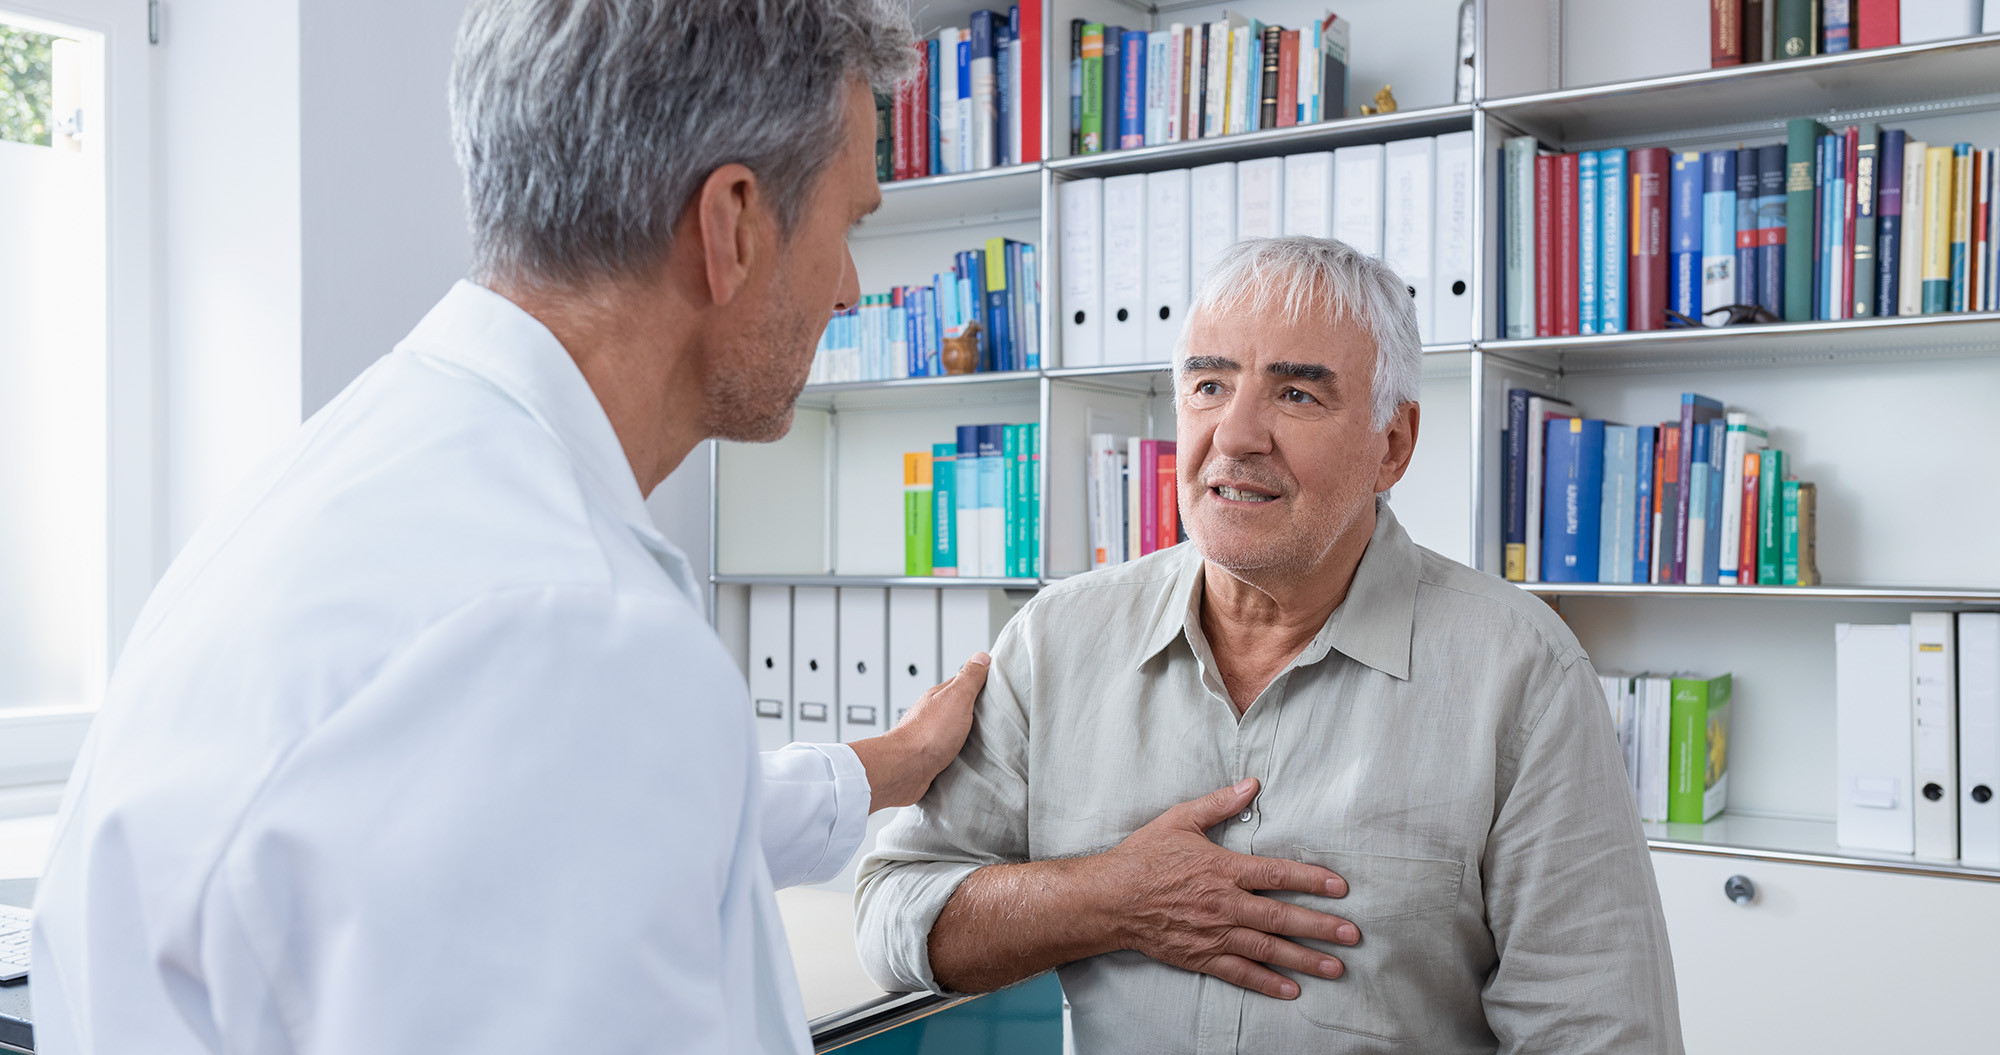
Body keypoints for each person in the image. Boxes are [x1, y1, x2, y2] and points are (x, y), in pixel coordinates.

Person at [31, 2, 961, 1052]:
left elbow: (594, 822)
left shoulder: (355, 488)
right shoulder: (564, 635)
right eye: (849, 225)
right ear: (732, 224)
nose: (847, 288)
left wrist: (880, 765)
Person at [855, 237, 1685, 1053]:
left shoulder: (1523, 672)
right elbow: (895, 912)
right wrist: (1108, 897)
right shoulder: (1057, 638)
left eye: (1296, 395)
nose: (1236, 434)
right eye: (1209, 384)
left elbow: (1604, 1036)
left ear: (1392, 444)